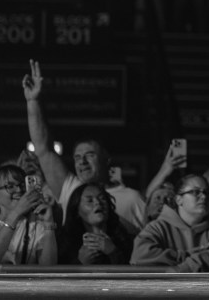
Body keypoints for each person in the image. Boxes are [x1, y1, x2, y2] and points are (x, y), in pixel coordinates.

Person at [22, 60, 146, 234]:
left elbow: (143, 245)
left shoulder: (133, 199)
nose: (82, 162)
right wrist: (33, 101)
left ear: (106, 159)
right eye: (78, 158)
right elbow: (43, 149)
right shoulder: (71, 189)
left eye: (90, 155)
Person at [130, 174, 209, 272]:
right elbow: (140, 255)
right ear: (178, 199)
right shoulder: (158, 227)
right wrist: (192, 255)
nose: (204, 197)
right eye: (195, 192)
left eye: (207, 192)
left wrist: (188, 266)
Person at [0, 164, 58, 265]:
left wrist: (48, 224)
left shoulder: (35, 225)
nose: (19, 190)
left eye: (22, 185)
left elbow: (48, 267)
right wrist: (16, 212)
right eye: (10, 186)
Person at [58, 181, 134, 264]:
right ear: (77, 210)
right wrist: (80, 263)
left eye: (102, 198)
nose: (98, 202)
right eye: (90, 200)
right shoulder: (67, 243)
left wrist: (113, 252)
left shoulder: (124, 239)